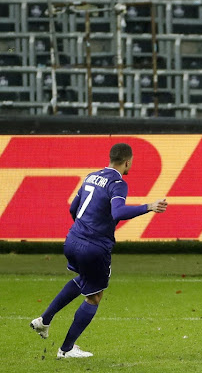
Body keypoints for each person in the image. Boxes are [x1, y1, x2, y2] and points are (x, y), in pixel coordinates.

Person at [30, 143, 168, 358]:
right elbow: (118, 212)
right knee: (94, 297)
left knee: (83, 279)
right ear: (127, 161)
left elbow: (72, 209)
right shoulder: (117, 183)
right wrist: (149, 207)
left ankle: (44, 320)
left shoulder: (91, 176)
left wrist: (82, 230)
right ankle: (66, 350)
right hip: (94, 247)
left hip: (72, 240)